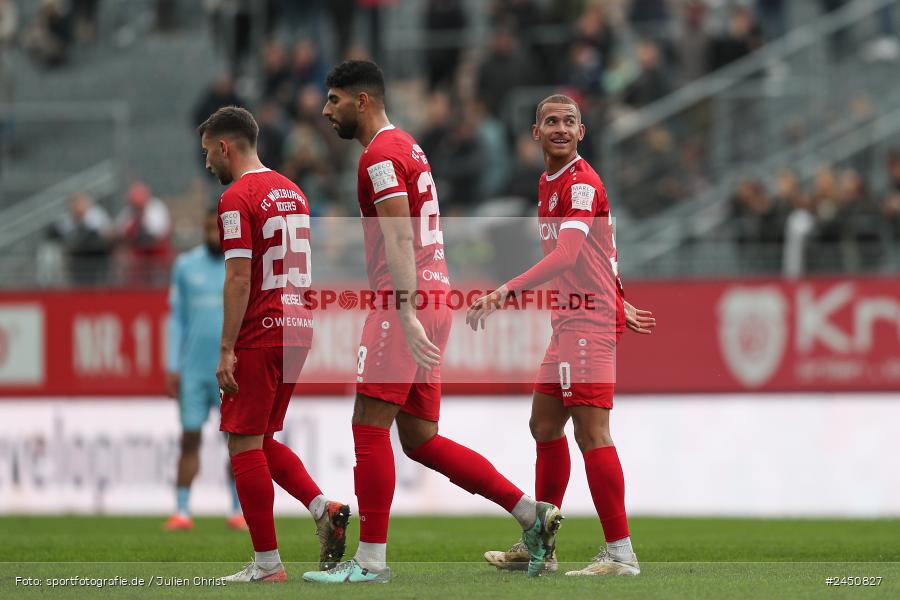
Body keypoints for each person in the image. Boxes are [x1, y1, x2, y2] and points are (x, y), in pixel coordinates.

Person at [305, 60, 561, 584]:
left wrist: (402, 309)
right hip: (436, 295)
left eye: (333, 100)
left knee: (367, 426)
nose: (324, 111)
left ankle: (371, 562)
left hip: (408, 301)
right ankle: (530, 515)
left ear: (362, 101)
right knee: (420, 438)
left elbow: (399, 236)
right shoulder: (409, 147)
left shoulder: (380, 155)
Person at [466, 94, 657, 576]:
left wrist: (505, 291)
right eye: (550, 121)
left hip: (586, 321)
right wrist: (620, 298)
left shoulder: (580, 184)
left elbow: (570, 254)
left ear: (581, 132)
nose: (560, 128)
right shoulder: (548, 181)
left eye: (569, 122)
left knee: (592, 434)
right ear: (536, 133)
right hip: (573, 317)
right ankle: (541, 544)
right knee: (544, 425)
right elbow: (601, 251)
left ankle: (620, 552)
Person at [198, 106, 349, 582]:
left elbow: (239, 276)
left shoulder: (235, 197)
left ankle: (267, 564)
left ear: (226, 147)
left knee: (242, 444)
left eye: (208, 153)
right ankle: (323, 507)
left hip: (261, 328)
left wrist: (226, 348)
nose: (206, 164)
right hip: (299, 323)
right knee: (260, 439)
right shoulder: (294, 191)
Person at [163, 211, 246, 532]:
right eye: (209, 226)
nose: (214, 232)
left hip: (230, 370)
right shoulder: (185, 266)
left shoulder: (238, 265)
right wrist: (173, 365)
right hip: (194, 371)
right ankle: (182, 510)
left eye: (219, 227)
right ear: (202, 227)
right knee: (189, 438)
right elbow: (176, 319)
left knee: (237, 443)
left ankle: (238, 509)